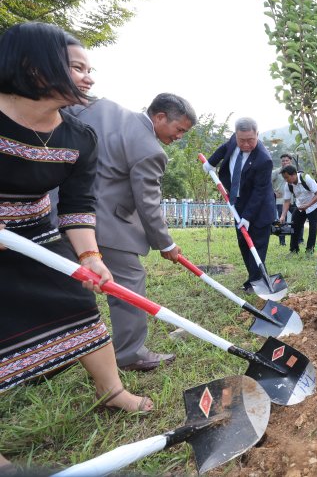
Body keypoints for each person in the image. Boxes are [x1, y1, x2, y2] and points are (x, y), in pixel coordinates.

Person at [0, 24, 153, 451]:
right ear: (32, 65)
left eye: (91, 69)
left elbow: (76, 204)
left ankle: (112, 391)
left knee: (79, 305)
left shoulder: (78, 136)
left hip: (36, 230)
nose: (88, 78)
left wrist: (89, 255)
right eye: (76, 67)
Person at [69, 93, 194, 371]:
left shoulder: (103, 107)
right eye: (180, 130)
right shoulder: (151, 150)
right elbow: (148, 203)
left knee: (66, 283)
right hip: (103, 223)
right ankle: (131, 353)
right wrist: (167, 244)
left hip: (63, 210)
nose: (179, 137)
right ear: (160, 117)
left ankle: (58, 352)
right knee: (128, 280)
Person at [205, 118, 276, 293]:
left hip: (259, 208)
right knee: (244, 244)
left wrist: (247, 217)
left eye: (250, 140)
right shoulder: (234, 140)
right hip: (238, 202)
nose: (245, 144)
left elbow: (259, 192)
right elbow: (224, 149)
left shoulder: (264, 159)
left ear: (257, 135)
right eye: (241, 140)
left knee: (256, 245)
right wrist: (211, 162)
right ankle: (254, 278)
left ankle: (257, 281)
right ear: (236, 135)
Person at [278, 165, 317, 255]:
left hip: (314, 205)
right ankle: (294, 250)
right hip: (301, 206)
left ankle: (309, 250)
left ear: (293, 174)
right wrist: (283, 215)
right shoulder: (288, 185)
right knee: (294, 226)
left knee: (312, 227)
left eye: (287, 177)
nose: (286, 180)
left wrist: (308, 205)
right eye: (284, 178)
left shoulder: (306, 178)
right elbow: (286, 201)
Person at [271, 153, 294, 246]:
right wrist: (273, 193)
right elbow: (266, 182)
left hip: (293, 200)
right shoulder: (276, 172)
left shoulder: (294, 171)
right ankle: (282, 242)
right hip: (280, 201)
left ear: (290, 161)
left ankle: (299, 240)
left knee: (297, 219)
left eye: (287, 160)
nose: (285, 162)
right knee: (281, 221)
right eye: (283, 161)